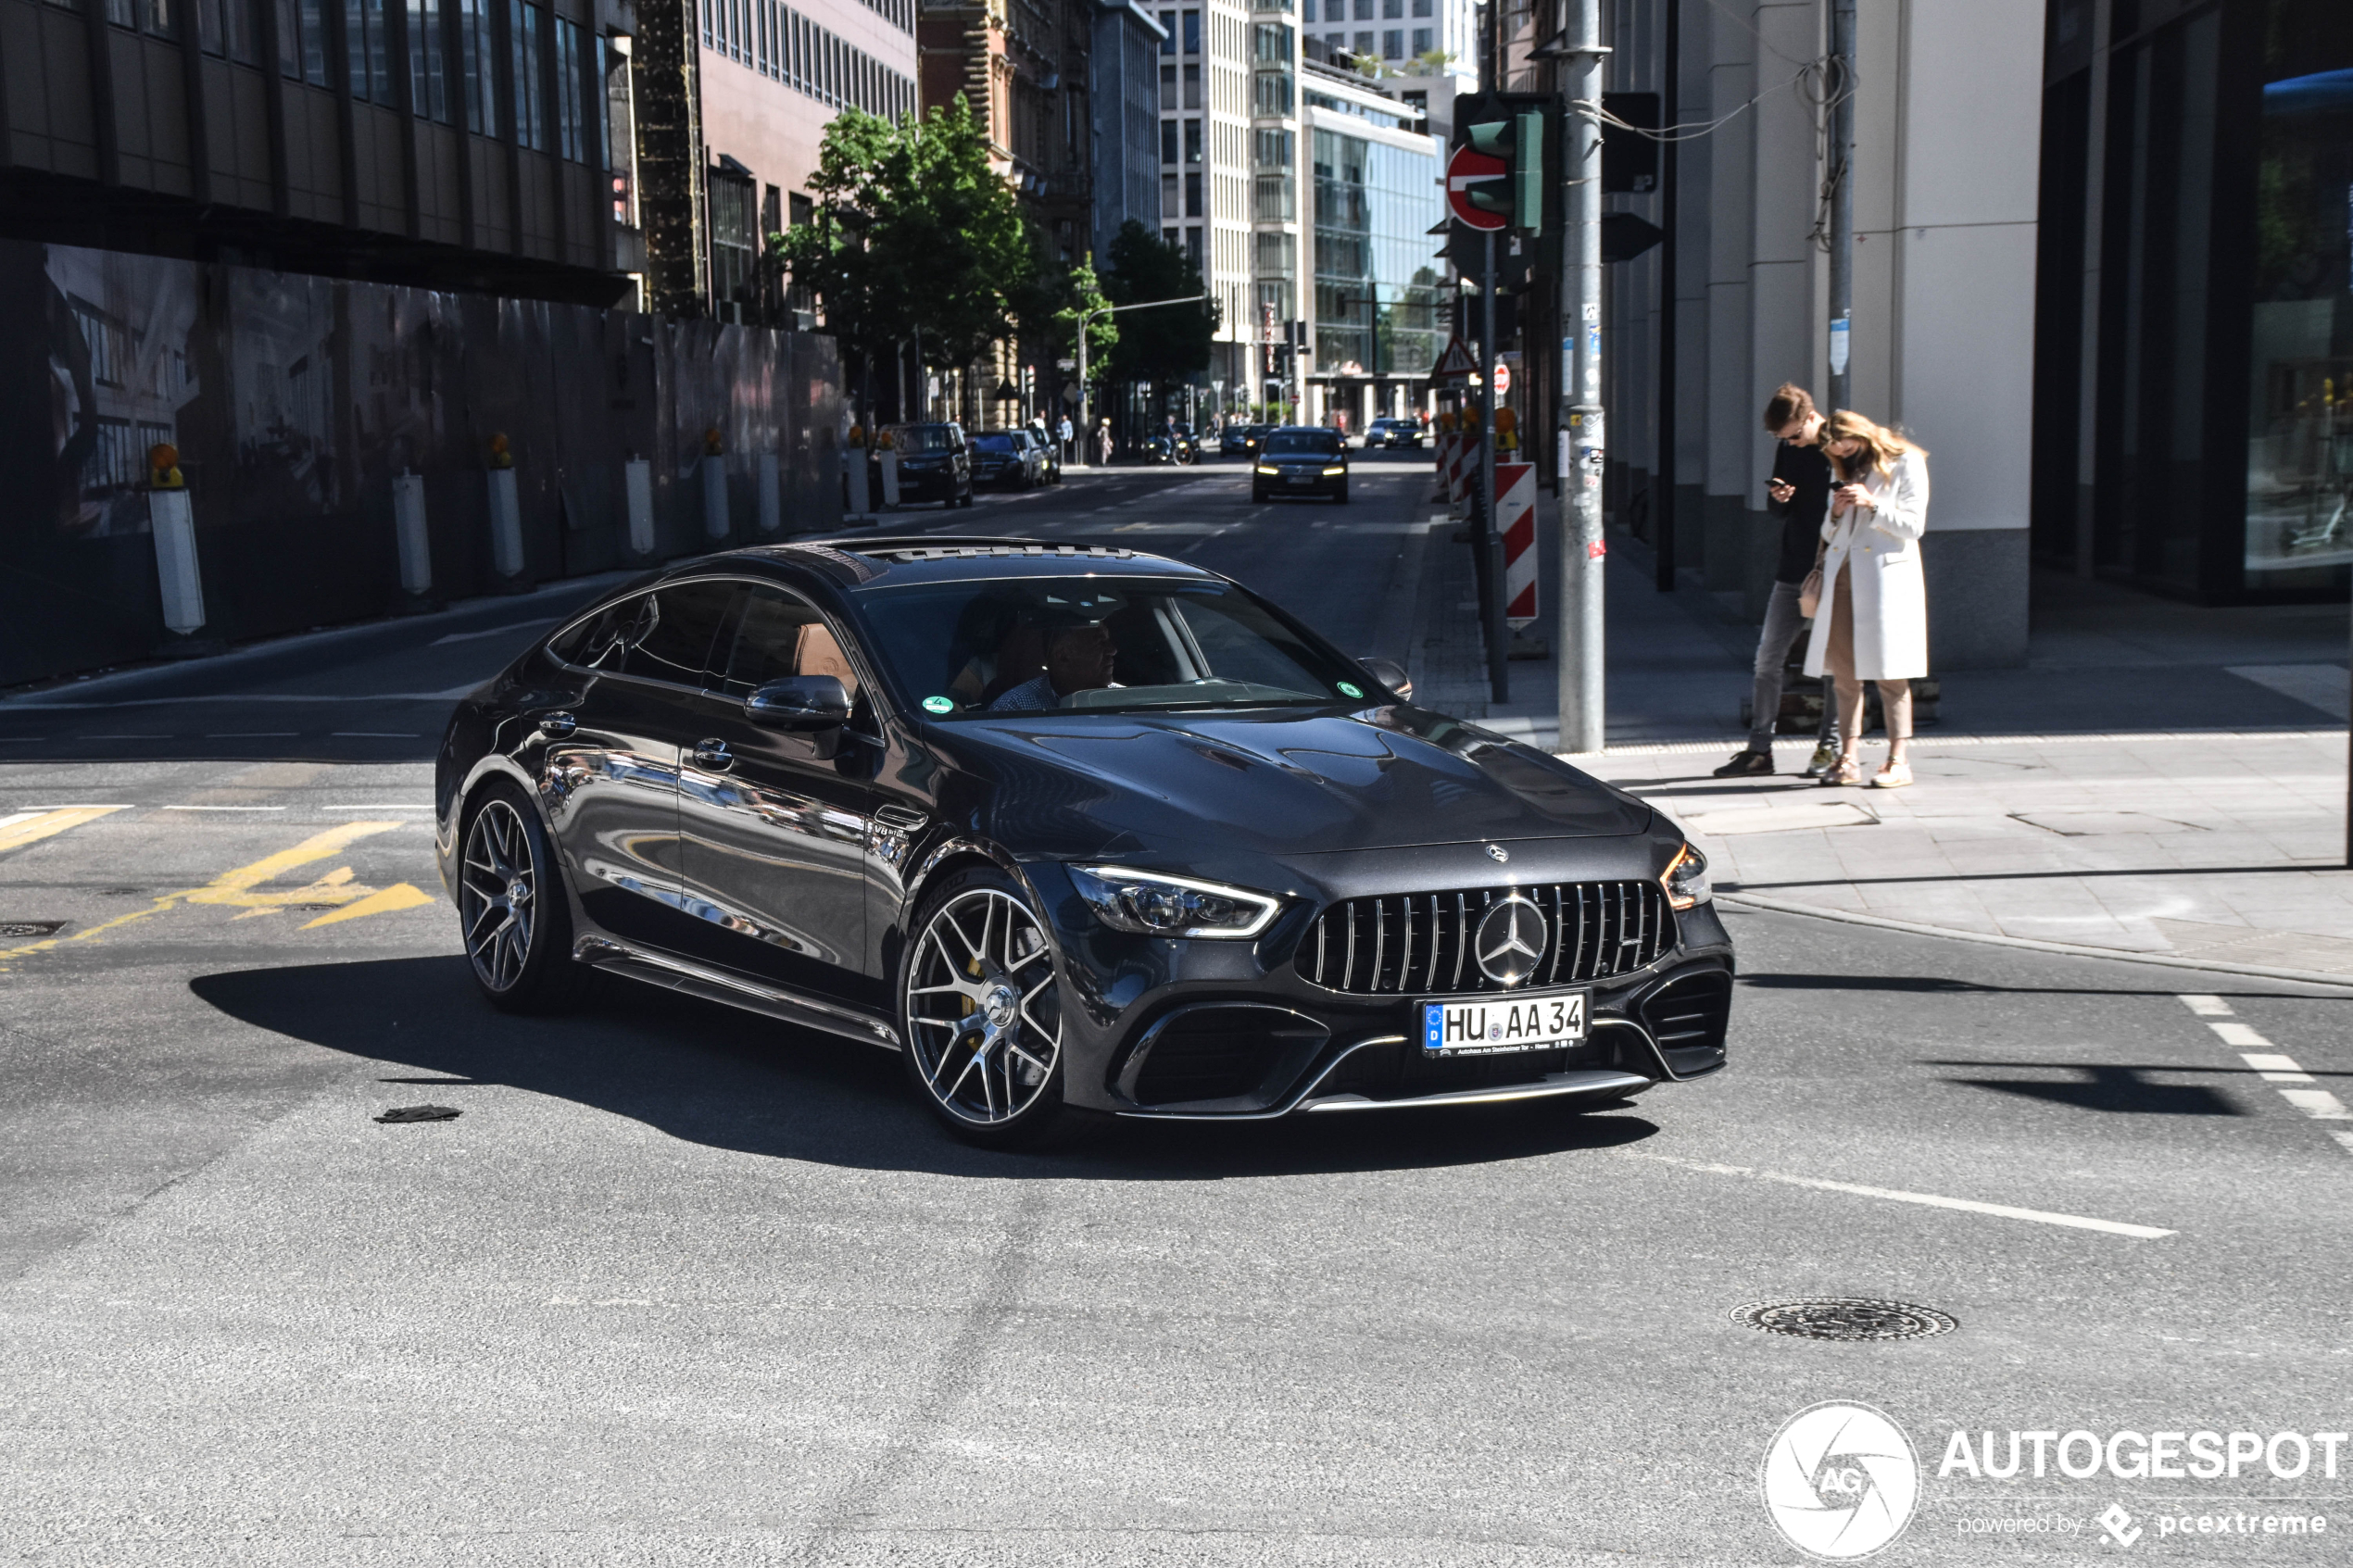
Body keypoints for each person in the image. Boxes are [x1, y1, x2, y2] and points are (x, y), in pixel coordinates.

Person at [1715, 383, 1839, 778]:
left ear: (1810, 419)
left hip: (1834, 567)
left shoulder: (1839, 445)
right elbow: (1777, 508)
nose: (1792, 444)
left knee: (1834, 662)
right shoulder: (1788, 448)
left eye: (1795, 436)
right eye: (1784, 440)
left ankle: (1830, 745)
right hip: (1793, 568)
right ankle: (1759, 749)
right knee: (1767, 659)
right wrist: (1779, 498)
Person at [1805, 409, 1930, 789]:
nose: (1840, 452)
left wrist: (1873, 505)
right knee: (1845, 675)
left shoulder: (1905, 461)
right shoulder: (1843, 468)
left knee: (1891, 672)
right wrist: (1838, 511)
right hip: (1844, 577)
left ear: (1860, 433)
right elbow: (1829, 530)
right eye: (1833, 450)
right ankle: (1848, 758)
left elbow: (1914, 525)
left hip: (1885, 579)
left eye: (1844, 444)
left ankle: (1898, 760)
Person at [988, 622, 1119, 711]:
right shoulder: (1016, 708)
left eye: (1107, 642)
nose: (1112, 650)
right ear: (1063, 656)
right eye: (1099, 643)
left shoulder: (1126, 701)